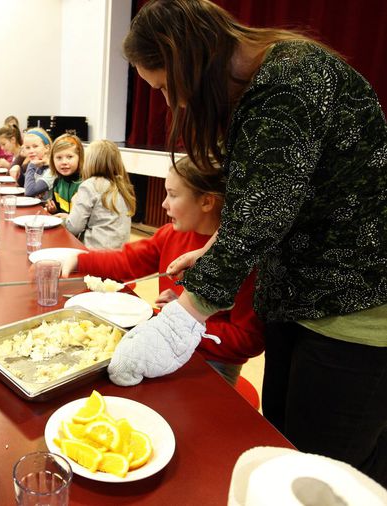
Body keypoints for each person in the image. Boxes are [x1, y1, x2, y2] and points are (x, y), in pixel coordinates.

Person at [114, 0, 387, 484]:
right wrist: (213, 248)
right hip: (298, 294)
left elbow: (266, 207)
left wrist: (183, 320)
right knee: (286, 450)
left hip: (354, 307)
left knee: (325, 473)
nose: (170, 104)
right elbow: (263, 192)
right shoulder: (262, 85)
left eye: (164, 88)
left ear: (185, 60)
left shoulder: (291, 81)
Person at [62, 156, 264, 384]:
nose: (163, 203)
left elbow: (249, 340)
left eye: (173, 195)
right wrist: (79, 261)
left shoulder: (244, 258)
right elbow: (127, 261)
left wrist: (183, 319)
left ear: (207, 202)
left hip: (210, 361)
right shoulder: (171, 234)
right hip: (166, 340)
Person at [61, 140, 135, 250]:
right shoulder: (122, 186)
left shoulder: (89, 186)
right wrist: (69, 218)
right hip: (119, 254)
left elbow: (74, 228)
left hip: (95, 253)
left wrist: (67, 216)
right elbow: (103, 220)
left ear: (90, 162)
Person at [44, 133, 84, 215]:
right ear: (52, 160)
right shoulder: (57, 182)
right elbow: (59, 211)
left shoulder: (84, 184)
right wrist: (54, 210)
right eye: (59, 158)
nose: (64, 162)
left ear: (79, 158)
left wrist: (67, 218)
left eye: (69, 157)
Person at [22, 127, 54, 200]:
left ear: (47, 148)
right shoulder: (37, 163)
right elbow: (24, 183)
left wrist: (31, 165)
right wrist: (17, 169)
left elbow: (29, 191)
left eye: (35, 146)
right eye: (27, 147)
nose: (31, 151)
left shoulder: (52, 170)